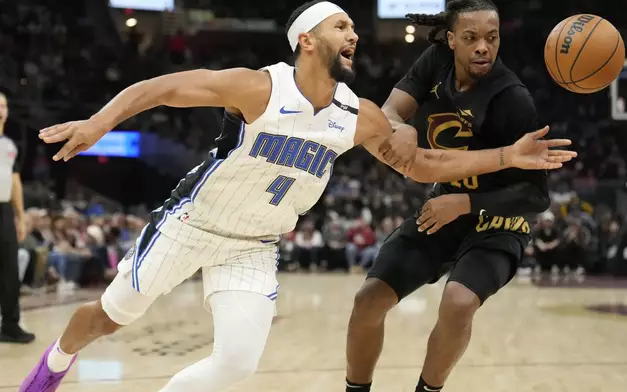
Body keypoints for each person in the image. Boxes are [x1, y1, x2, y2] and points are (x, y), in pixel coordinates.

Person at [20, 1, 575, 391]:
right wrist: (97, 122)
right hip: (192, 223)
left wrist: (507, 157)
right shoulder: (258, 86)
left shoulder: (356, 115)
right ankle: (55, 362)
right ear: (307, 40)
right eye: (341, 26)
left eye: (355, 27)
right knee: (110, 319)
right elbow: (158, 89)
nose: (353, 34)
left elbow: (421, 163)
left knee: (236, 363)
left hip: (253, 245)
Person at [344, 1, 567, 391]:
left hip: (499, 220)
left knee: (459, 302)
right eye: (471, 38)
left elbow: (536, 197)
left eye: (491, 38)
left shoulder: (513, 100)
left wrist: (465, 203)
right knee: (368, 300)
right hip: (442, 209)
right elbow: (389, 112)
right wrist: (401, 128)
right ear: (451, 41)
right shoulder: (435, 61)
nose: (483, 47)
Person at [0, 92, 35, 344]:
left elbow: (15, 182)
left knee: (10, 269)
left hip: (4, 211)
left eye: (3, 105)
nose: (1, 109)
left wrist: (20, 217)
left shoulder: (9, 145)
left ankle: (10, 325)